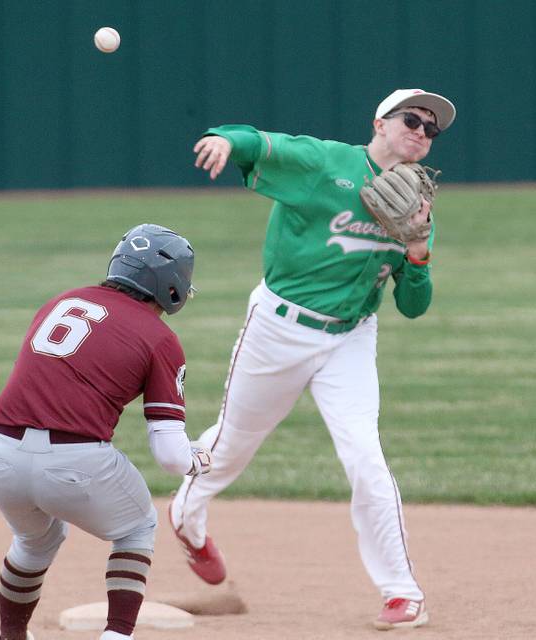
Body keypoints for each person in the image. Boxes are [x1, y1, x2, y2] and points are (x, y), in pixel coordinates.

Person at [169, 88, 456, 630]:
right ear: (380, 121)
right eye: (412, 119)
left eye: (431, 129)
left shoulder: (417, 206)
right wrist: (222, 141)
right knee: (230, 450)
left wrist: (418, 251)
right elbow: (261, 143)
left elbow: (414, 307)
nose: (421, 131)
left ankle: (402, 592)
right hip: (278, 330)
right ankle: (186, 514)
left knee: (365, 458)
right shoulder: (328, 164)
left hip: (350, 338)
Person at [0, 224, 212, 640]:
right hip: (74, 462)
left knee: (37, 539)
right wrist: (198, 459)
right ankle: (117, 635)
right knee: (137, 527)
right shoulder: (160, 338)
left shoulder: (63, 301)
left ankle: (10, 635)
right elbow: (171, 456)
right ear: (172, 286)